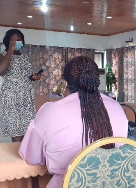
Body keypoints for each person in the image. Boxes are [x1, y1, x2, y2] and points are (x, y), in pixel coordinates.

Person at [19, 56, 128, 188]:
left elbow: (32, 157)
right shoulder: (117, 107)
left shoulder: (50, 111)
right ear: (96, 80)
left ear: (65, 83)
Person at [0, 29, 41, 142]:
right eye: (14, 40)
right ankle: (18, 158)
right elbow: (1, 70)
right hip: (12, 97)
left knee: (27, 131)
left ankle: (24, 155)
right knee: (16, 131)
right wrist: (10, 50)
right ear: (8, 41)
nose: (17, 42)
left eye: (19, 40)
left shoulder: (25, 57)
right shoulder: (2, 56)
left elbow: (25, 76)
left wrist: (33, 77)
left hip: (26, 98)